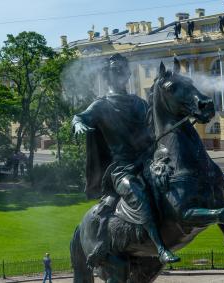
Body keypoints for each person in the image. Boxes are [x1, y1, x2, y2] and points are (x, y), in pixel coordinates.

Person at [72, 54, 179, 268]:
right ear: (107, 75)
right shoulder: (101, 105)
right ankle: (160, 248)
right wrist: (78, 124)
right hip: (121, 170)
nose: (119, 74)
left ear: (128, 75)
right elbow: (79, 117)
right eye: (114, 70)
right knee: (138, 194)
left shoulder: (139, 103)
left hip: (147, 161)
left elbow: (155, 126)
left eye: (122, 70)